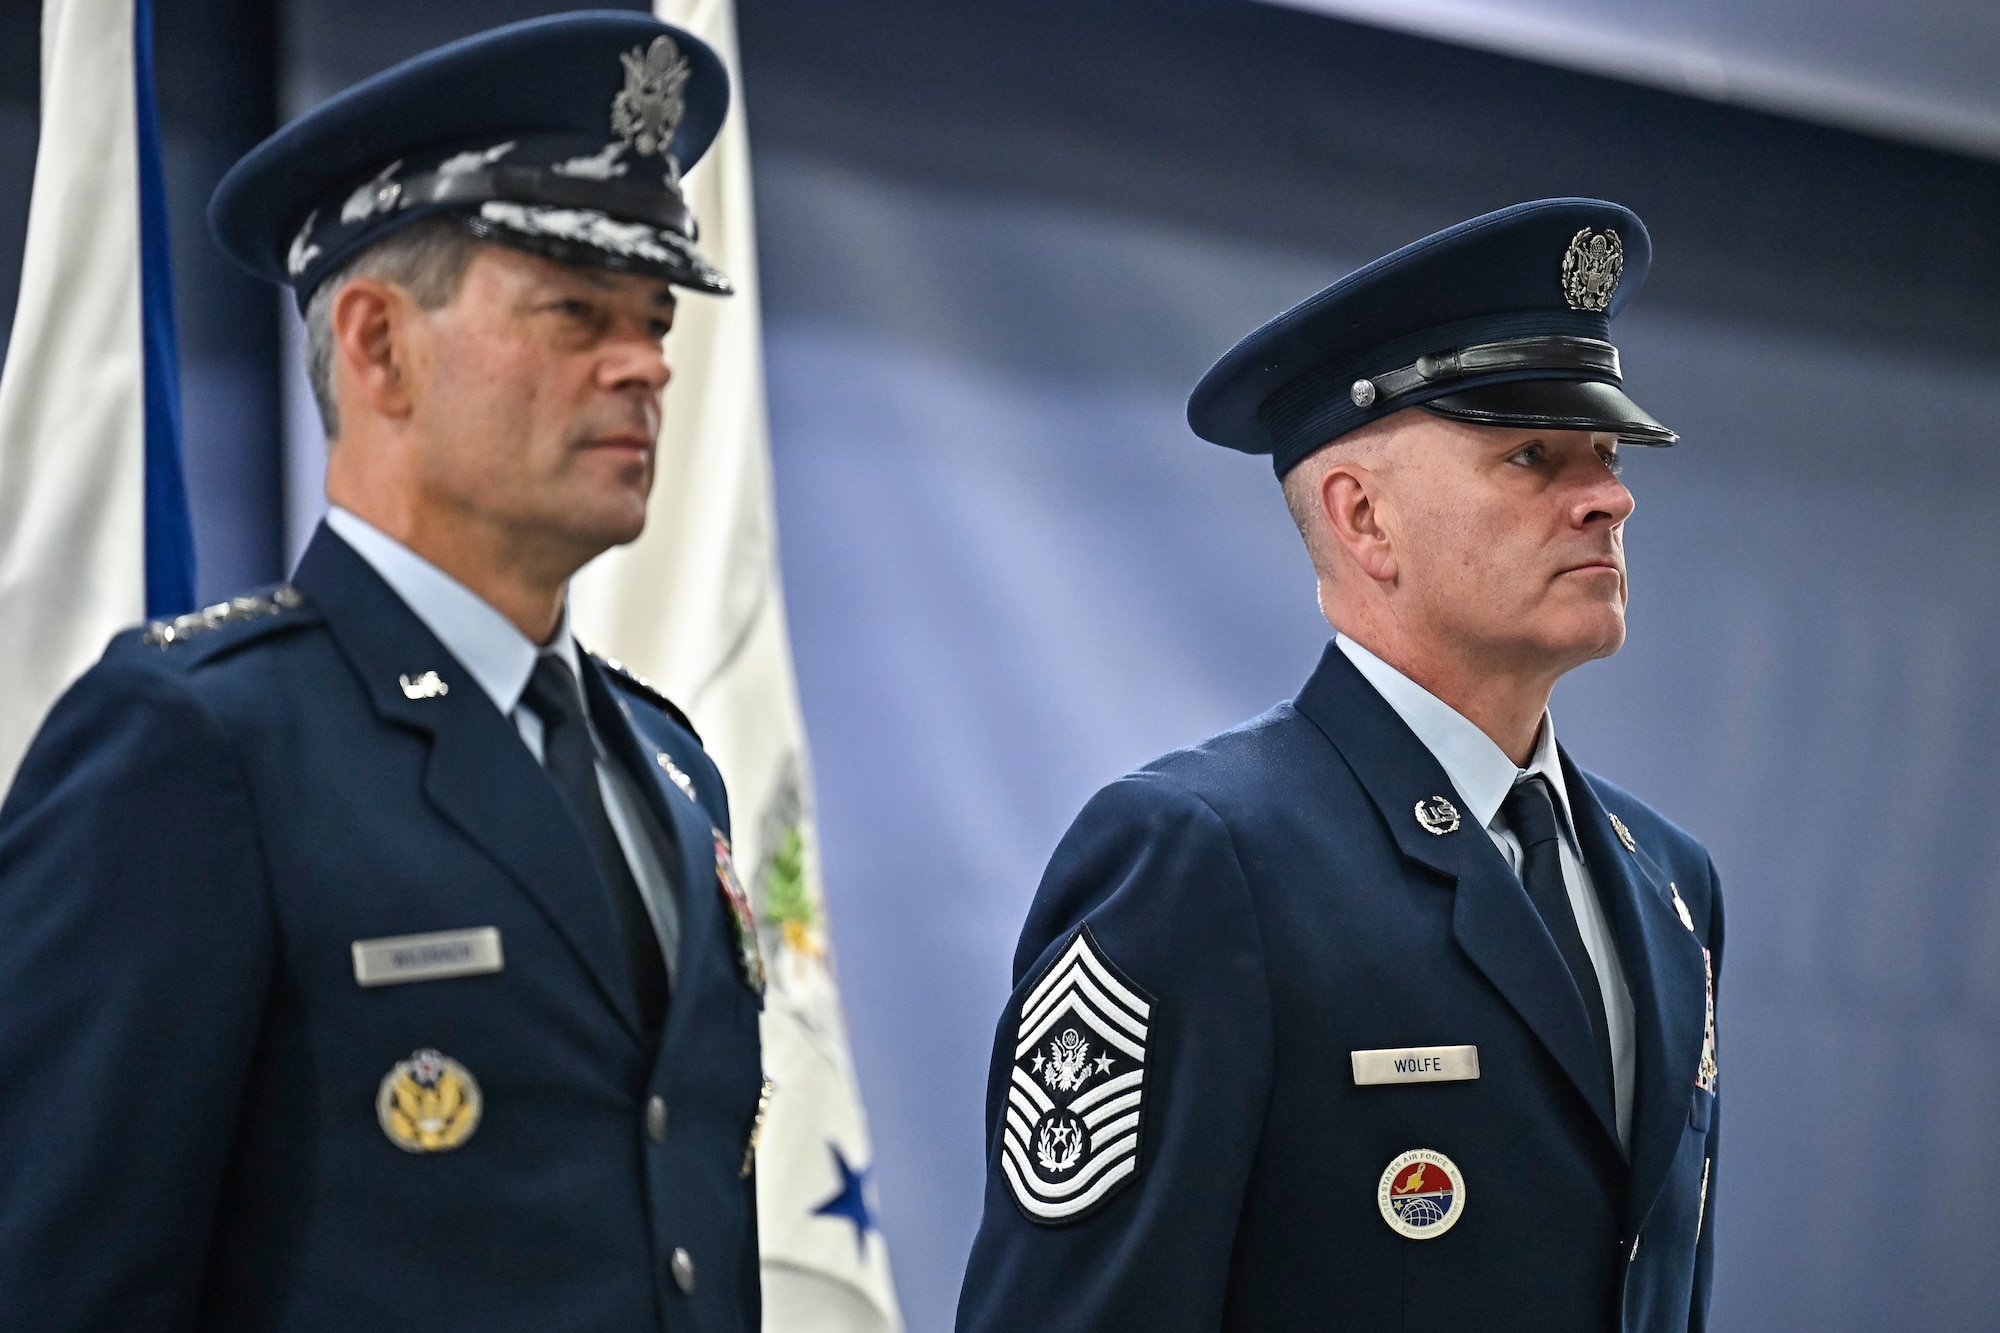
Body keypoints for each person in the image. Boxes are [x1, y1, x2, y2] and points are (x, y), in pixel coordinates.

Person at [0, 14, 771, 1330]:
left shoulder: (669, 765)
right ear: (374, 344)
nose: (644, 363)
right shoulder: (199, 742)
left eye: (653, 319)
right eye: (577, 312)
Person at [957, 199, 1722, 1332]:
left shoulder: (1669, 883)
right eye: (1531, 453)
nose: (1606, 495)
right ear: (1361, 517)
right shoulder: (1201, 858)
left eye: (1606, 453)